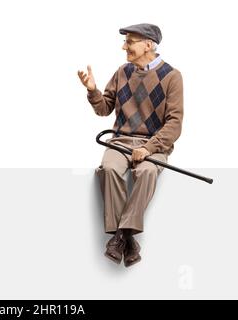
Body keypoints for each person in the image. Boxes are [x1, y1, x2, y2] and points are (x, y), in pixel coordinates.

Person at [78, 23, 183, 267]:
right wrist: (93, 91)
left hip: (153, 145)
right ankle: (127, 238)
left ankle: (120, 236)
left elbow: (174, 123)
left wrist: (148, 148)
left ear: (148, 45)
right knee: (109, 169)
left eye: (130, 41)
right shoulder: (122, 72)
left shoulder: (172, 76)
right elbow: (104, 108)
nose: (124, 46)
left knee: (147, 172)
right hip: (120, 142)